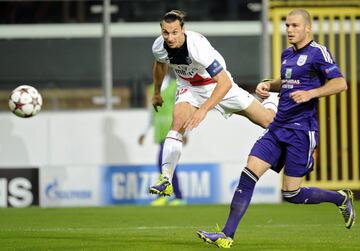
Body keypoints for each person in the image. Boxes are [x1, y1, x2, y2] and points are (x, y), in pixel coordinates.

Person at [197, 9, 355, 248]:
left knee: (291, 193)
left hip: (301, 131)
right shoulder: (286, 55)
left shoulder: (319, 53)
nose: (289, 30)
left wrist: (312, 93)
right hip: (278, 126)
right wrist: (270, 84)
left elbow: (340, 83)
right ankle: (227, 235)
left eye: (294, 25)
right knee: (249, 171)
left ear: (307, 28)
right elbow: (288, 81)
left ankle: (340, 197)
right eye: (287, 25)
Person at [148, 10, 278, 196]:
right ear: (161, 31)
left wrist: (203, 110)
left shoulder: (197, 46)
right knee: (176, 125)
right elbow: (160, 64)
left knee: (268, 122)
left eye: (175, 32)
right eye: (166, 32)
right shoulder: (159, 46)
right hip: (189, 87)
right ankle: (166, 180)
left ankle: (272, 99)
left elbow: (223, 82)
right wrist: (156, 92)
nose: (170, 37)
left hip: (218, 85)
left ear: (183, 30)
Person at [138, 74, 187, 206]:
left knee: (163, 162)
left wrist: (185, 131)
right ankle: (175, 195)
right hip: (160, 130)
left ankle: (171, 195)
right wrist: (144, 132)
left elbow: (182, 108)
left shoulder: (175, 85)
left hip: (173, 129)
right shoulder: (151, 88)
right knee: (166, 164)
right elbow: (151, 112)